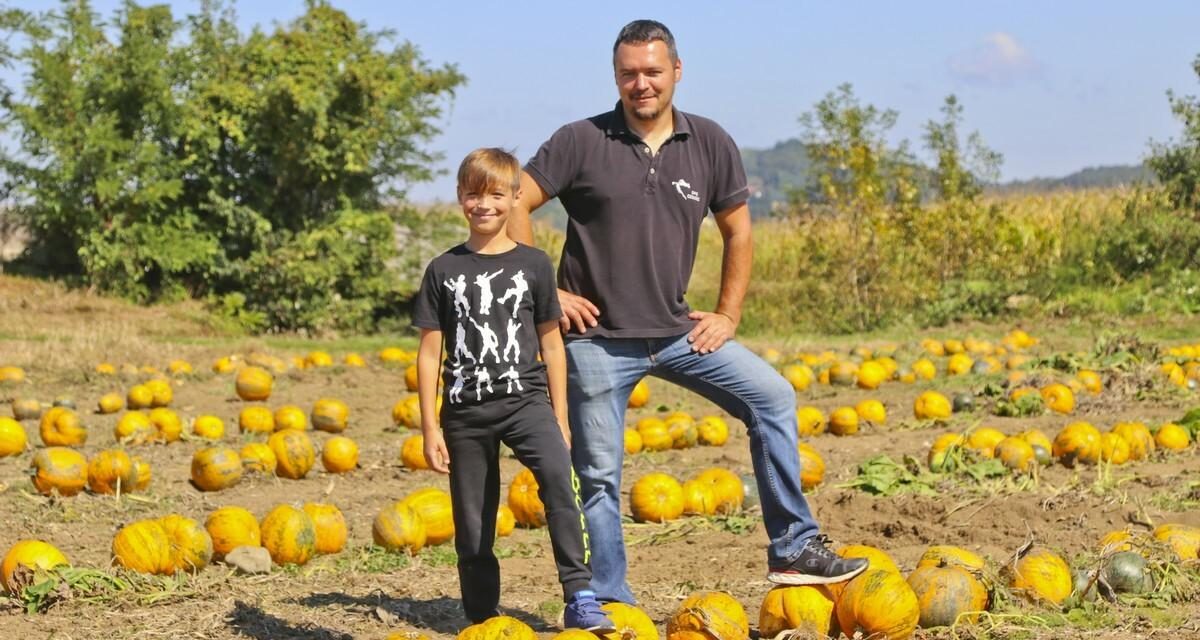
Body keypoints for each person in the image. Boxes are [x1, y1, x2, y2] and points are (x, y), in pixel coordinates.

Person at [508, 20, 869, 604]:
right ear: (616, 76)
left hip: (679, 331)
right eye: (629, 73)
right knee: (597, 476)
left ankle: (794, 547)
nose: (641, 84)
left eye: (652, 71)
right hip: (596, 340)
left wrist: (727, 314)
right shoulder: (580, 140)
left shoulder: (709, 142)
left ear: (676, 71)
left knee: (772, 396)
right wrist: (547, 294)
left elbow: (739, 232)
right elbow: (517, 201)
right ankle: (607, 600)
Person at [413, 148, 613, 631]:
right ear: (460, 197)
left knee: (561, 486)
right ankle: (482, 616)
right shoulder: (442, 270)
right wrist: (429, 426)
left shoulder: (533, 265)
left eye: (496, 195)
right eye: (474, 194)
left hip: (526, 404)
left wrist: (560, 418)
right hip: (464, 411)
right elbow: (428, 353)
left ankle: (580, 593)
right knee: (473, 521)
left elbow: (553, 346)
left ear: (515, 198)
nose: (484, 204)